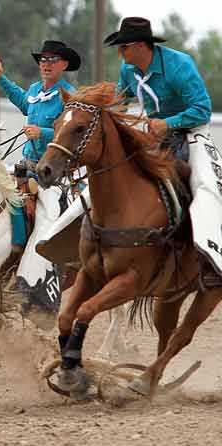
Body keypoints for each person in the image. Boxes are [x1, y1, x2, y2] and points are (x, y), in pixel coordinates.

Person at [105, 17, 221, 281]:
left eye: (123, 46)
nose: (120, 52)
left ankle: (210, 255)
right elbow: (119, 101)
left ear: (141, 46)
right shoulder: (128, 70)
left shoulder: (179, 66)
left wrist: (168, 123)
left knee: (205, 184)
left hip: (191, 131)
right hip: (154, 134)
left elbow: (202, 110)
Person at [0, 40, 81, 314]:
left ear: (64, 65)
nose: (46, 64)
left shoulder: (69, 96)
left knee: (49, 217)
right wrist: (1, 79)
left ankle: (40, 277)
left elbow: (71, 132)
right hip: (25, 167)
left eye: (52, 59)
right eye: (43, 59)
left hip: (51, 173)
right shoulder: (36, 90)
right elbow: (22, 101)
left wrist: (44, 133)